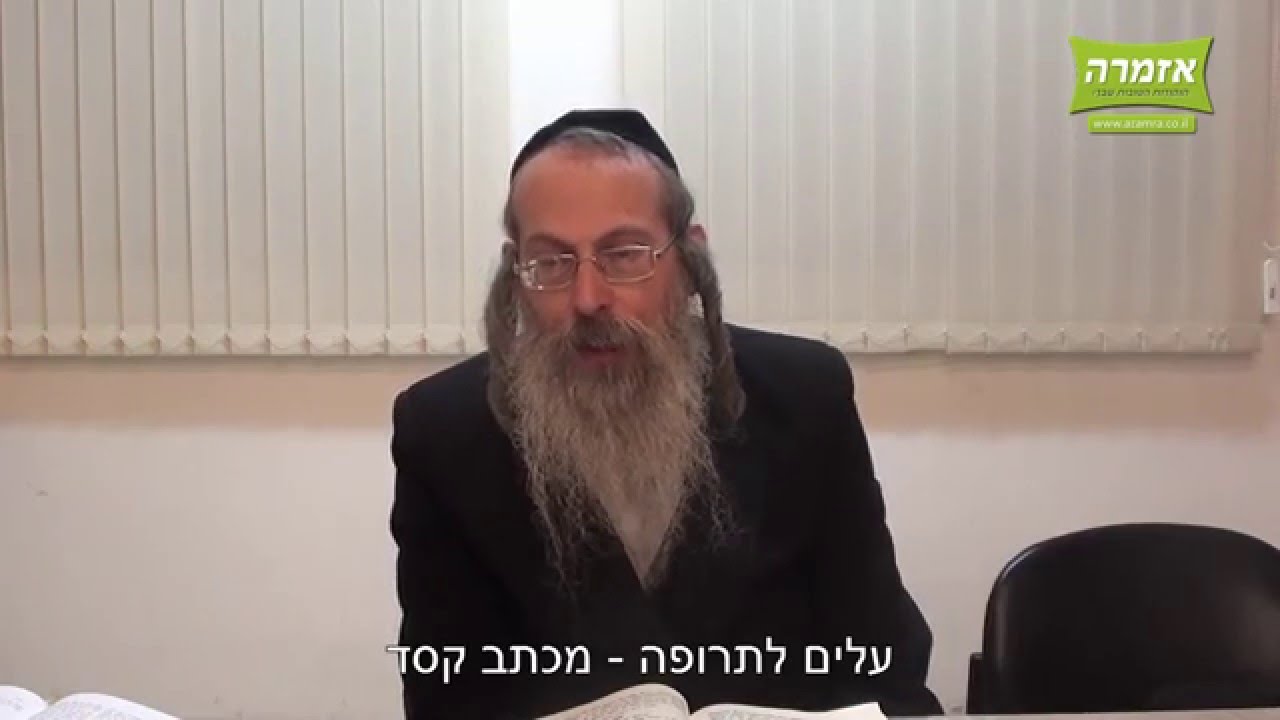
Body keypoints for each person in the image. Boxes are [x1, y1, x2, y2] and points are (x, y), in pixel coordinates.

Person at [389, 108, 943, 719]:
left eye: (625, 254)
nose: (588, 298)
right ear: (516, 275)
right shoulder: (444, 431)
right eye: (552, 262)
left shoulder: (804, 395)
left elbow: (883, 662)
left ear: (688, 258)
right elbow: (445, 691)